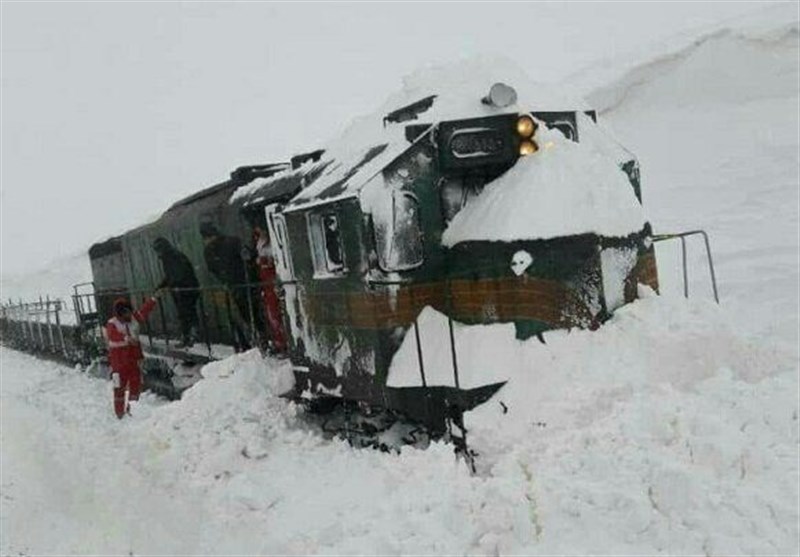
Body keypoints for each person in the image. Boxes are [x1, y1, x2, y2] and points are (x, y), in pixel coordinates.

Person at [200, 221, 263, 351]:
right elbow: (248, 256)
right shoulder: (232, 241)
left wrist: (226, 279)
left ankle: (250, 343)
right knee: (249, 315)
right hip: (242, 284)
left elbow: (213, 269)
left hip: (238, 285)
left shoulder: (211, 250)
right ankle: (257, 340)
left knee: (242, 315)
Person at [103, 294, 160, 418]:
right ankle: (119, 413)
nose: (129, 315)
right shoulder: (112, 324)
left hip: (132, 360)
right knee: (119, 389)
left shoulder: (134, 318)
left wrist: (153, 299)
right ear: (119, 314)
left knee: (135, 385)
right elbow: (113, 335)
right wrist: (126, 338)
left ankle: (132, 410)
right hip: (118, 364)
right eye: (125, 313)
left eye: (129, 311)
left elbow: (144, 310)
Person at [152, 237, 200, 347]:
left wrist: (172, 285)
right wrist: (161, 286)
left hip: (185, 289)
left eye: (158, 250)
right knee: (185, 314)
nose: (158, 253)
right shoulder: (169, 257)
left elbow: (179, 274)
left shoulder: (173, 256)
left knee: (187, 313)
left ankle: (191, 336)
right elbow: (170, 276)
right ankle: (188, 337)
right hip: (182, 289)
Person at [254, 226, 287, 353]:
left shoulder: (271, 245)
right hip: (267, 284)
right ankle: (278, 341)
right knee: (272, 314)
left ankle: (282, 342)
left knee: (276, 313)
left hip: (272, 283)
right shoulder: (260, 244)